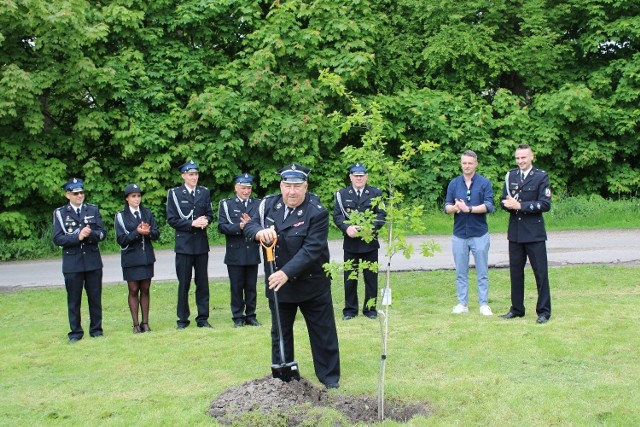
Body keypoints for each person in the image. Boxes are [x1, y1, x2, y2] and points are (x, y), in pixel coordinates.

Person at [244, 163, 340, 389]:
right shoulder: (268, 204)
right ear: (281, 186)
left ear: (305, 187)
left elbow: (312, 249)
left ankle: (330, 379)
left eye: (297, 186)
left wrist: (286, 272)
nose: (292, 191)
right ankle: (283, 378)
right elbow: (249, 225)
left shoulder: (317, 211)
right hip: (278, 285)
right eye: (287, 186)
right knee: (280, 333)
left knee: (323, 334)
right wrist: (258, 232)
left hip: (311, 283)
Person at [500, 144, 552, 324]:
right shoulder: (510, 176)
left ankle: (544, 311)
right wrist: (507, 204)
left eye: (523, 158)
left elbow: (545, 204)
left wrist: (520, 206)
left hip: (534, 233)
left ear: (531, 157)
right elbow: (502, 200)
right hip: (515, 233)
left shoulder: (540, 176)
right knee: (515, 273)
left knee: (540, 273)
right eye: (517, 158)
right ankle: (517, 309)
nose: (520, 161)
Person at [52, 178, 106, 343]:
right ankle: (75, 332)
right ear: (68, 195)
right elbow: (58, 238)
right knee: (74, 300)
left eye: (81, 192)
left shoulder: (92, 209)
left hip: (92, 260)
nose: (79, 196)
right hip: (72, 262)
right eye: (75, 193)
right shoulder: (60, 213)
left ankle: (96, 330)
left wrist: (90, 235)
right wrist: (78, 237)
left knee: (95, 297)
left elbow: (102, 233)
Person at [333, 163, 386, 320]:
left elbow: (382, 215)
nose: (358, 178)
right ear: (350, 177)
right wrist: (346, 228)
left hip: (370, 243)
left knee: (371, 279)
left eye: (361, 175)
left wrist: (372, 227)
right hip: (351, 243)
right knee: (350, 278)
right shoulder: (342, 194)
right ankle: (350, 310)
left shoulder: (376, 193)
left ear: (366, 177)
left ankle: (370, 310)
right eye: (355, 175)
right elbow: (337, 216)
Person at [444, 150, 495, 316]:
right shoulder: (454, 184)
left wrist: (469, 209)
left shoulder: (484, 183)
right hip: (459, 234)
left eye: (470, 163)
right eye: (464, 163)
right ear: (461, 164)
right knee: (460, 271)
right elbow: (447, 206)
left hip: (479, 234)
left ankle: (483, 304)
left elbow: (489, 206)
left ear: (476, 164)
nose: (467, 166)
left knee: (482, 271)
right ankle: (462, 303)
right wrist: (454, 208)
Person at [166, 160, 214, 329]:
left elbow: (209, 214)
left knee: (202, 283)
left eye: (196, 174)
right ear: (184, 176)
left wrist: (205, 220)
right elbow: (172, 219)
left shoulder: (204, 192)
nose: (194, 177)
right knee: (184, 283)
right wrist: (191, 224)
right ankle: (182, 319)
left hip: (201, 244)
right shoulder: (175, 193)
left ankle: (203, 318)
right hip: (184, 245)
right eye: (191, 174)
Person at [218, 173, 262, 328]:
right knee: (236, 286)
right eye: (243, 188)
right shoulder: (226, 204)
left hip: (252, 250)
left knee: (251, 286)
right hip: (235, 252)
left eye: (249, 188)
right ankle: (238, 316)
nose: (246, 191)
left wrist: (251, 225)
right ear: (236, 187)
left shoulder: (258, 204)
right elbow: (222, 227)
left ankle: (251, 315)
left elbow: (262, 225)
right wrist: (240, 227)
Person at [115, 184, 160, 333]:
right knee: (133, 289)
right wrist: (136, 232)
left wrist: (148, 233)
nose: (137, 199)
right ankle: (135, 324)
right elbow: (121, 239)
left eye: (139, 196)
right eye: (133, 196)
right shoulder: (121, 216)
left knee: (145, 289)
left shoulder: (146, 213)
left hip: (146, 256)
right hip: (131, 258)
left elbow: (156, 233)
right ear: (127, 198)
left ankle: (145, 322)